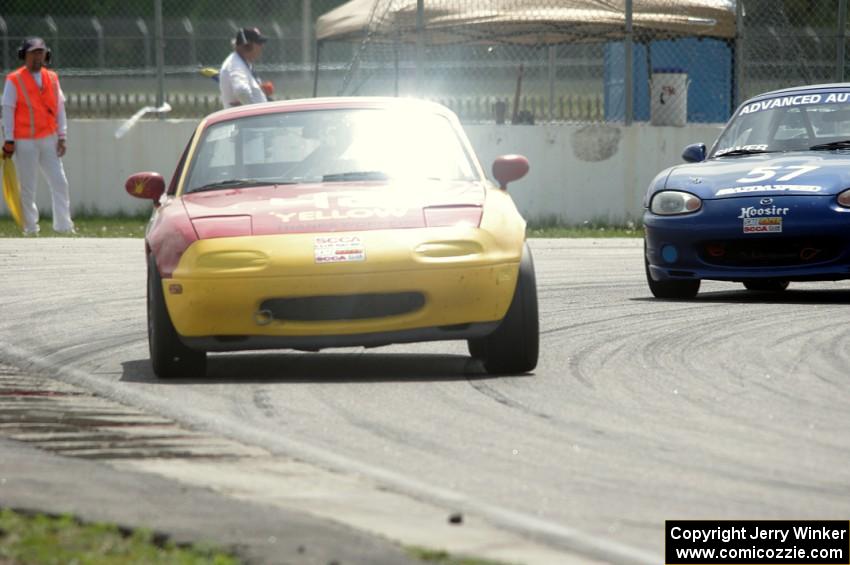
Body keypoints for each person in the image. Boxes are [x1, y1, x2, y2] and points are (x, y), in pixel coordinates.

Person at [2, 37, 74, 235]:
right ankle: (30, 228)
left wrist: (62, 135)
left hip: (49, 139)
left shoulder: (52, 78)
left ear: (46, 54)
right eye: (33, 53)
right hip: (24, 141)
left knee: (59, 182)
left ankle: (63, 226)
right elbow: (7, 110)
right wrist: (9, 139)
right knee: (28, 186)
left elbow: (60, 109)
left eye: (40, 52)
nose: (37, 57)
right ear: (24, 55)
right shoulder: (14, 80)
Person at [219, 27, 275, 108]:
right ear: (247, 45)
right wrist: (255, 110)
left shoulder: (241, 62)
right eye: (259, 43)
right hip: (247, 120)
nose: (262, 47)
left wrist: (260, 91)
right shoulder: (235, 64)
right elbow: (241, 91)